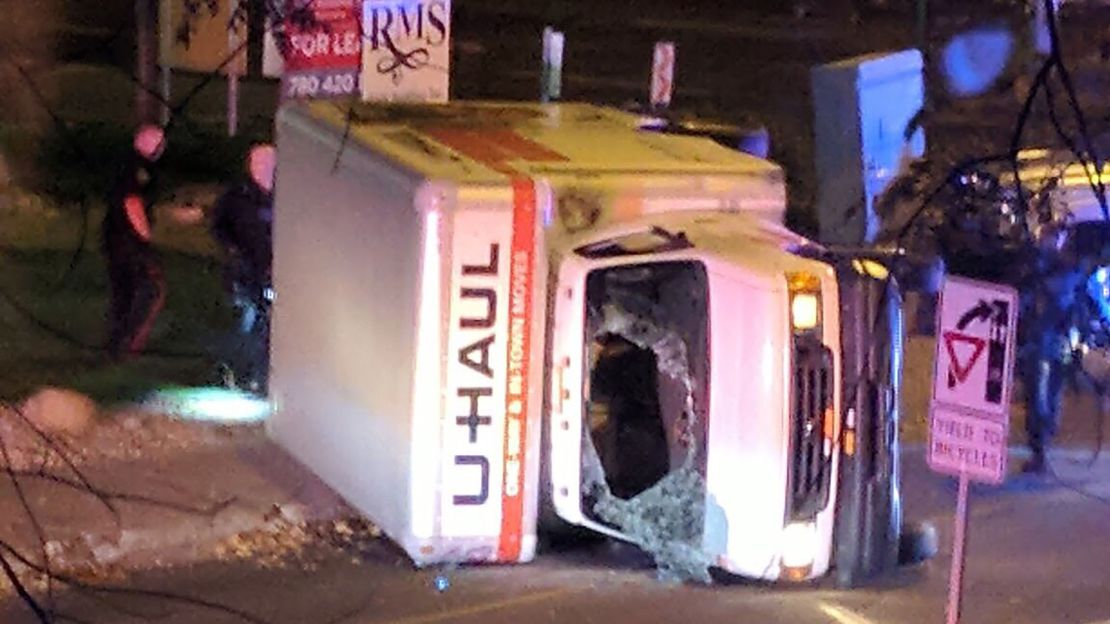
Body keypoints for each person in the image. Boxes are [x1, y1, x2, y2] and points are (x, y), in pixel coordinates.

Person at [210, 143, 276, 393]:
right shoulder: (237, 196)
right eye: (260, 163)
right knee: (247, 320)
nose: (265, 168)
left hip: (273, 272)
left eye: (270, 163)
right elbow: (219, 228)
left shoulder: (285, 194)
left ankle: (259, 376)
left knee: (268, 324)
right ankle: (233, 370)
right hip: (245, 272)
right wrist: (233, 252)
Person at [103, 124, 167, 361]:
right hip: (128, 242)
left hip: (117, 239)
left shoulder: (130, 165)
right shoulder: (137, 170)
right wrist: (145, 236)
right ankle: (128, 345)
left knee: (125, 292)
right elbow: (132, 203)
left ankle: (118, 345)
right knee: (149, 289)